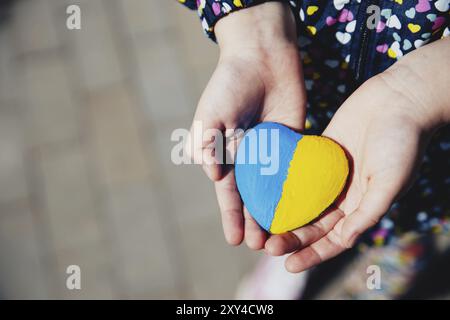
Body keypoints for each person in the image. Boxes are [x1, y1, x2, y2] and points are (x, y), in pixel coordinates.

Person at [179, 0, 450, 298]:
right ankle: (294, 226)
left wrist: (423, 90)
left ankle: (391, 263)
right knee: (344, 214)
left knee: (405, 224)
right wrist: (251, 26)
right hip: (303, 92)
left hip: (439, 150)